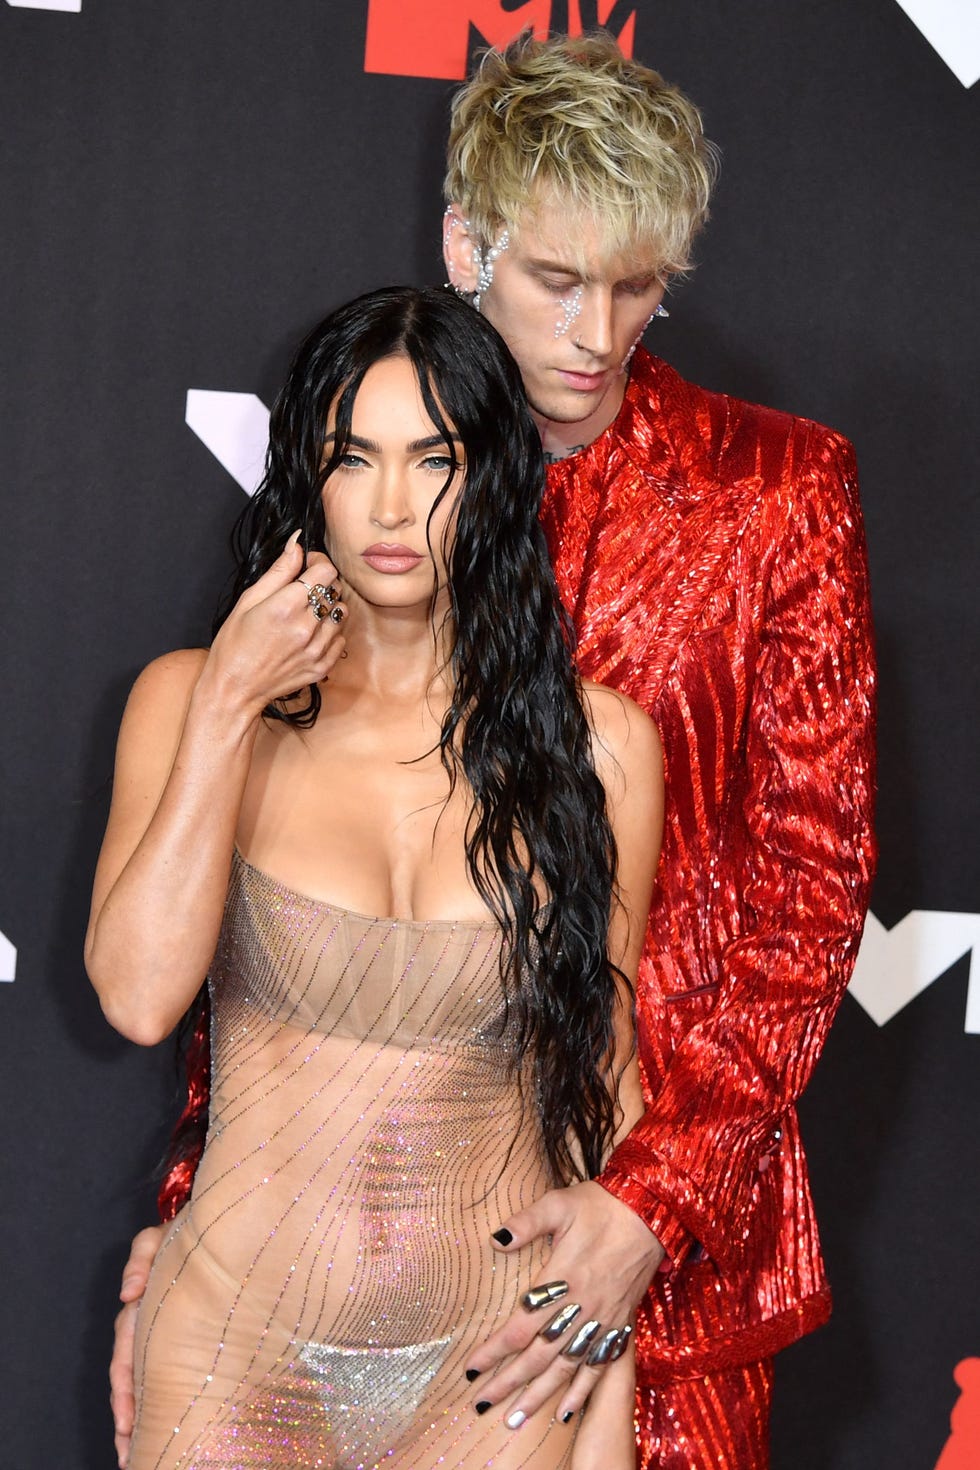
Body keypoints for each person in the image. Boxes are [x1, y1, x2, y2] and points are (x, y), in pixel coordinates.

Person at [108, 33, 877, 1470]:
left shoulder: (775, 491)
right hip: (311, 1272)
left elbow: (809, 888)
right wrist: (197, 1213)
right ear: (468, 243)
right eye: (556, 281)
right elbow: (277, 921)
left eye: (637, 287)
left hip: (675, 1241)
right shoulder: (372, 483)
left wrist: (648, 1205)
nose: (597, 333)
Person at [88, 285, 662, 1469]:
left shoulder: (599, 750)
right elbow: (139, 997)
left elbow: (604, 1082)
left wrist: (605, 1372)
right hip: (234, 1357)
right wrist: (225, 711)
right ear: (308, 475)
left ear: (493, 478)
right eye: (354, 458)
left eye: (434, 460)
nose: (392, 507)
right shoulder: (185, 701)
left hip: (494, 1369)